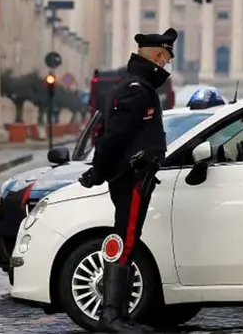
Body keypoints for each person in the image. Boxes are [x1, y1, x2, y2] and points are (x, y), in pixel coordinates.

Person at [77, 28, 176, 334]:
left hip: (133, 176)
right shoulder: (136, 89)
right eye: (167, 59)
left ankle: (119, 314)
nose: (168, 66)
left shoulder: (135, 85)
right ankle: (112, 315)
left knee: (128, 239)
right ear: (159, 57)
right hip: (131, 177)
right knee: (127, 238)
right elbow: (113, 137)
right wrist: (98, 169)